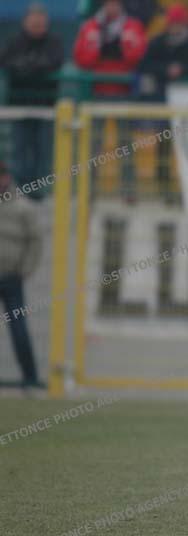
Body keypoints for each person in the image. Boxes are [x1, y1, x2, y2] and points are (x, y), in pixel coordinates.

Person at [0, 3, 64, 199]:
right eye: (33, 20)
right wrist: (30, 66)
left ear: (46, 22)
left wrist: (29, 67)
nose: (37, 23)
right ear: (25, 21)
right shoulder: (14, 41)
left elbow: (54, 62)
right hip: (19, 107)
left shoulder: (54, 42)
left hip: (45, 108)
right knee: (19, 153)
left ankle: (39, 195)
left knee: (42, 153)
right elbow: (7, 62)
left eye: (40, 20)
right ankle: (21, 194)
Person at [0, 163, 43, 391]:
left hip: (11, 278)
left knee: (19, 329)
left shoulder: (23, 207)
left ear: (6, 178)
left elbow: (35, 241)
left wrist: (25, 270)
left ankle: (30, 377)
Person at [72, 0, 148, 97]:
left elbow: (141, 58)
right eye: (109, 3)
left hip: (125, 87)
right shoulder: (90, 26)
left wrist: (125, 45)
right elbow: (80, 59)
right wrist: (97, 47)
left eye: (116, 3)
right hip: (95, 86)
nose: (112, 7)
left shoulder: (133, 26)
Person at [137, 4, 188, 102]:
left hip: (186, 92)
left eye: (178, 23)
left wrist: (182, 69)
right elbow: (145, 65)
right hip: (159, 92)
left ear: (184, 23)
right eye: (172, 23)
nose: (175, 27)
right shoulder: (158, 42)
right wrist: (166, 69)